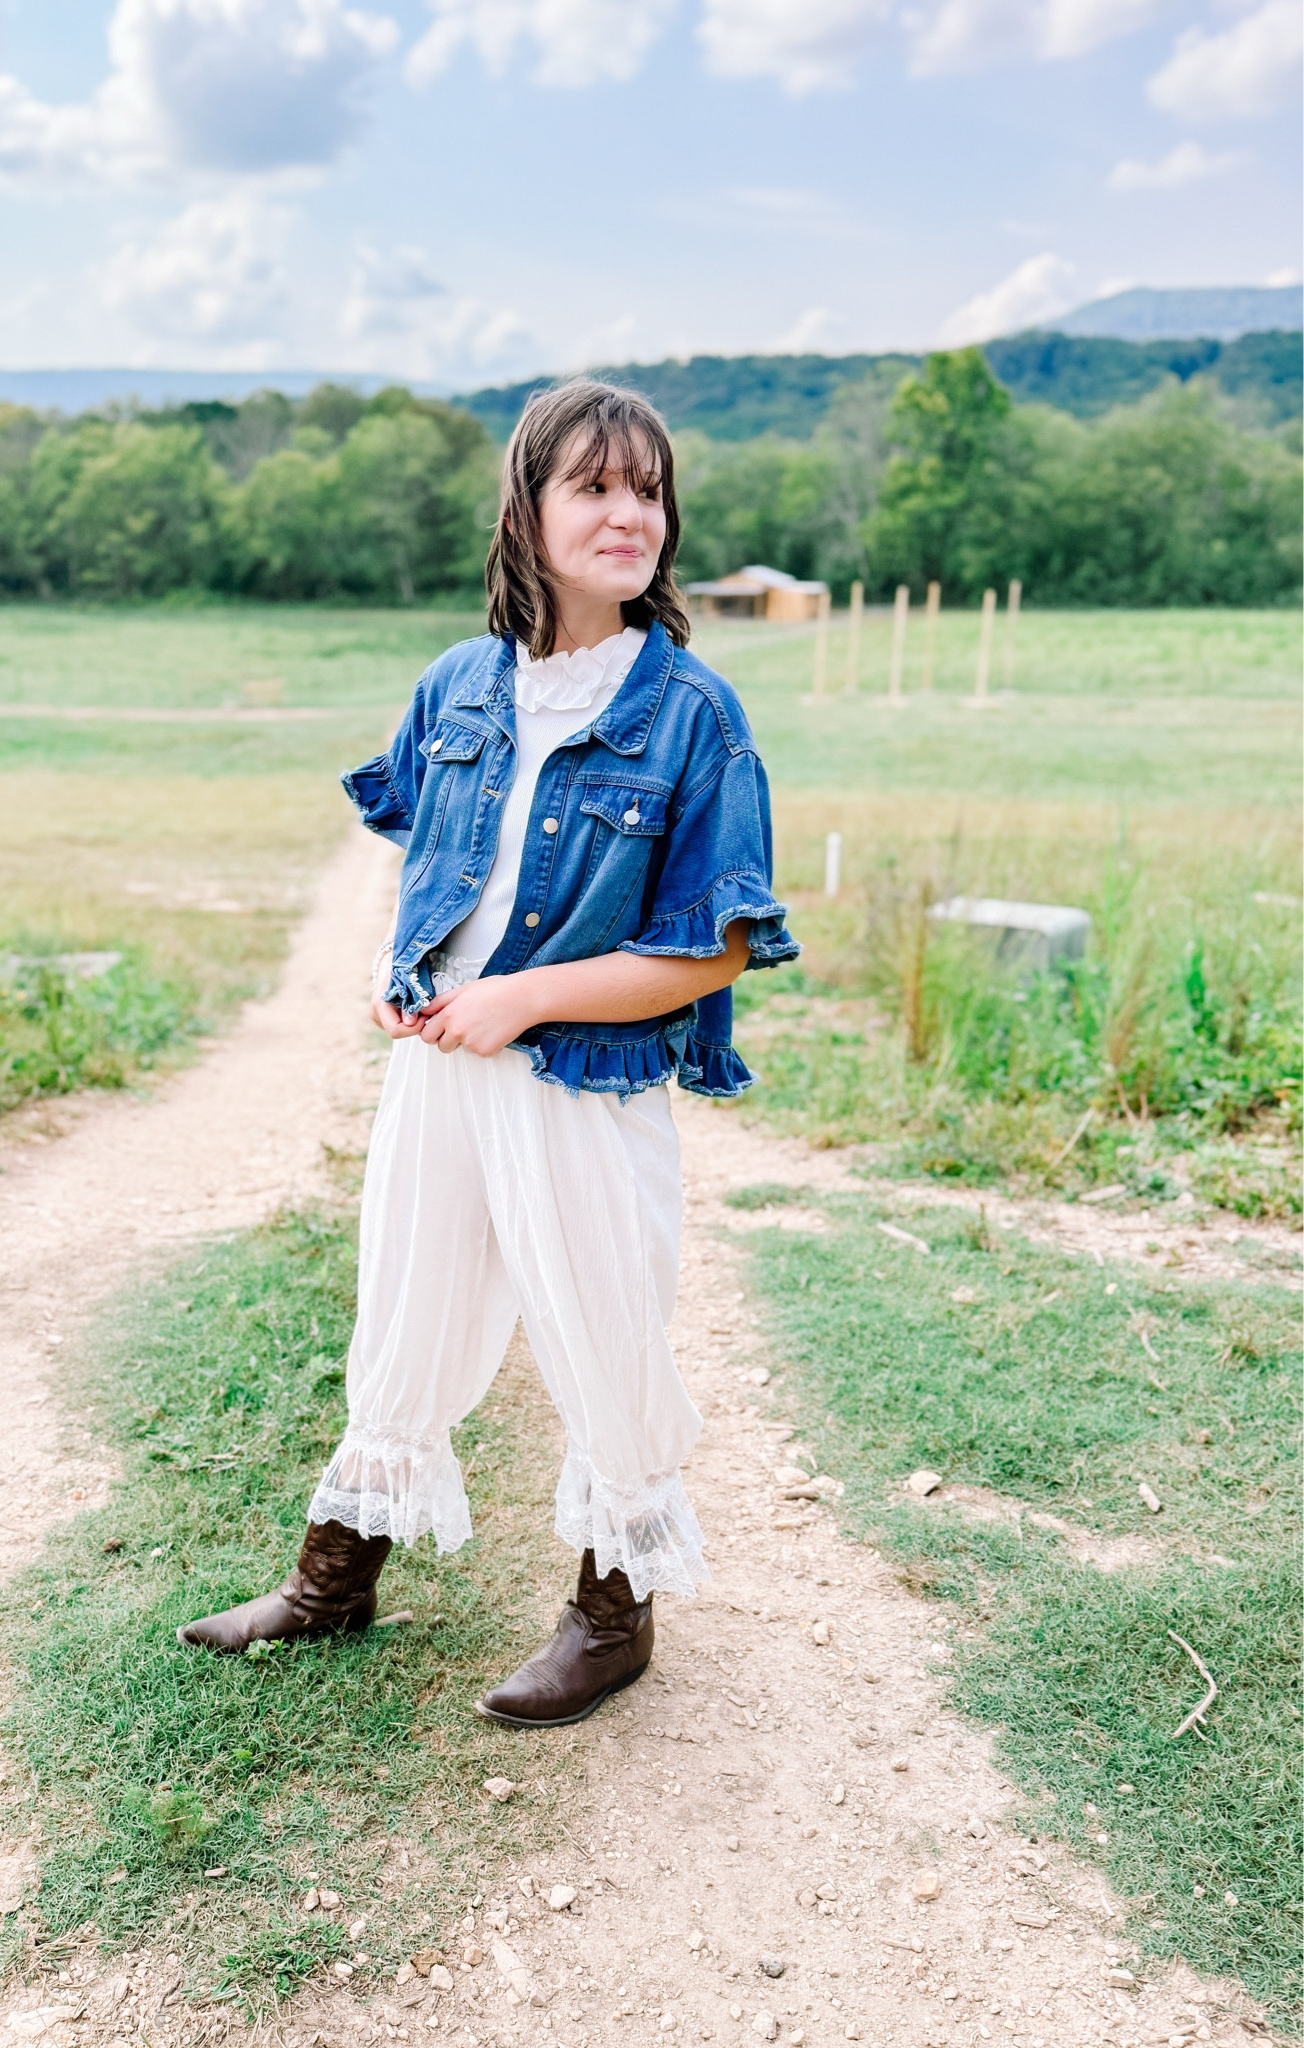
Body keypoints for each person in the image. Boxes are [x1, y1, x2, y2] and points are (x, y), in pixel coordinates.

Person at [179, 379, 797, 1726]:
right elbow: (424, 854)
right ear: (527, 508)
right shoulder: (459, 682)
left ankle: (613, 1614)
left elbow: (716, 949)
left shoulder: (694, 713)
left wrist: (521, 999)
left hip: (579, 1081)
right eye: (594, 486)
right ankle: (335, 1580)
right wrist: (409, 981)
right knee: (405, 1310)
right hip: (440, 1071)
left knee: (604, 1332)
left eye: (648, 490)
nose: (628, 512)